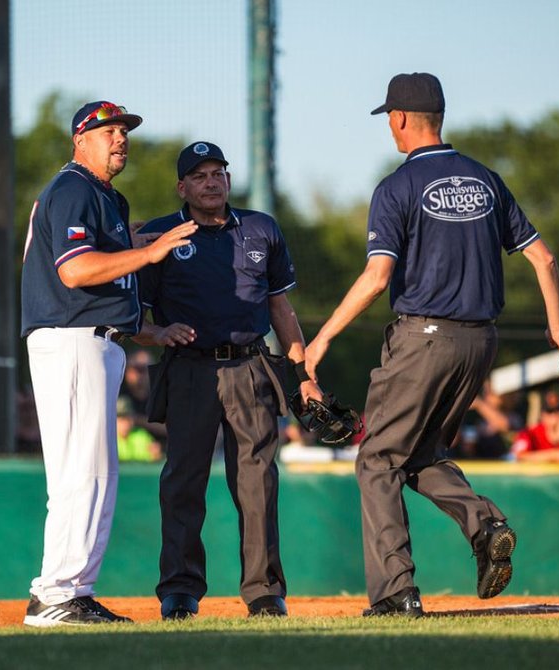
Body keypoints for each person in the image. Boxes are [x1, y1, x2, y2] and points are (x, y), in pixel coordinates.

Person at [304, 72, 559, 618]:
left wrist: (323, 338)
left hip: (424, 339)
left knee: (377, 458)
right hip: (481, 342)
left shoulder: (397, 187)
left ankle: (396, 592)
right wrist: (558, 330)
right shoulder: (486, 180)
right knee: (417, 451)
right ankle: (486, 525)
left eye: (390, 120)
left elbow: (379, 276)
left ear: (399, 119)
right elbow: (544, 258)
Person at [19, 100, 196, 627]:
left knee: (95, 473)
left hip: (94, 339)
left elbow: (106, 286)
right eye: (108, 131)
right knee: (81, 474)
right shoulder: (73, 188)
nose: (120, 138)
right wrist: (149, 251)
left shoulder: (104, 197)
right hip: (70, 341)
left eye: (123, 131)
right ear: (81, 140)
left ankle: (71, 591)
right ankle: (55, 594)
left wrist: (152, 330)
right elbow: (75, 273)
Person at [135, 141, 323, 620]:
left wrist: (303, 374)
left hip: (250, 366)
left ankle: (264, 592)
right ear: (182, 187)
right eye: (199, 176)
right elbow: (130, 314)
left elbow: (281, 307)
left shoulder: (261, 228)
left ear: (228, 180)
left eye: (218, 172)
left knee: (258, 483)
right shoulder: (158, 236)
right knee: (183, 482)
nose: (211, 182)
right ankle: (179, 590)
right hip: (189, 368)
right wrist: (158, 333)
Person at [116, 395, 161, 462]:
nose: (125, 423)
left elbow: (153, 462)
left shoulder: (142, 436)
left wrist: (156, 455)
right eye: (122, 419)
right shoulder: (108, 439)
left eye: (128, 418)